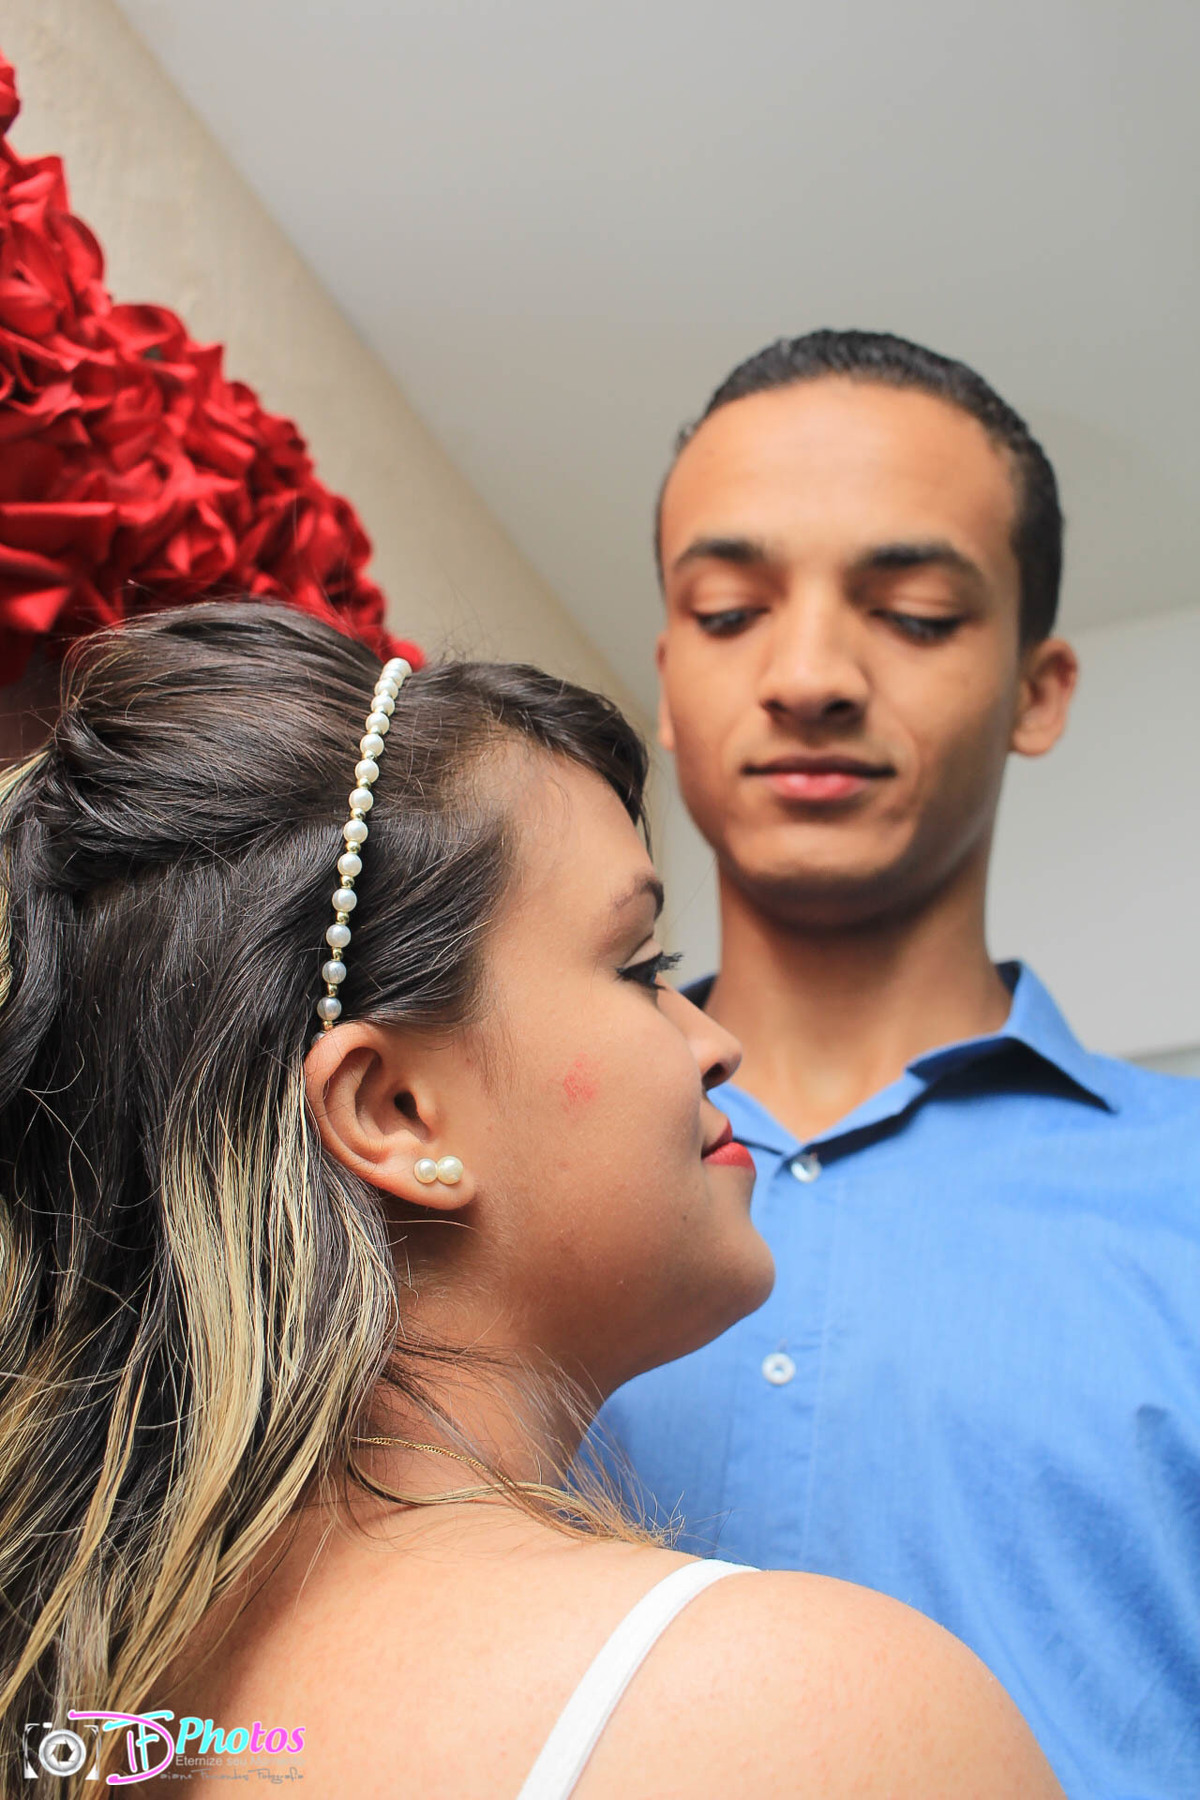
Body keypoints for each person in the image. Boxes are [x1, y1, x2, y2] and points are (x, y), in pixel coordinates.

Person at [0, 601, 1060, 1798]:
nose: (716, 1045)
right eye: (641, 968)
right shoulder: (802, 1716)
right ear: (398, 1110)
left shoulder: (89, 1726)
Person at [595, 329, 1200, 1800]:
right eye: (731, 611)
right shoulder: (456, 1173)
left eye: (916, 615)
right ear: (667, 679)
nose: (810, 676)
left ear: (1039, 689)